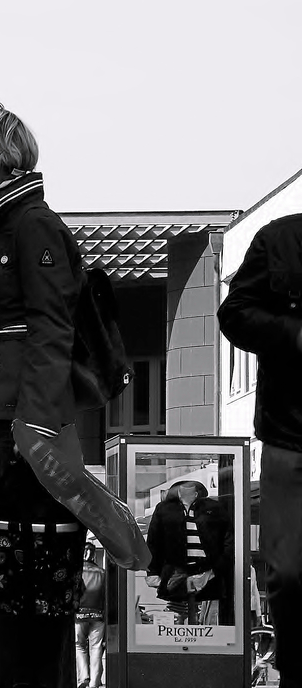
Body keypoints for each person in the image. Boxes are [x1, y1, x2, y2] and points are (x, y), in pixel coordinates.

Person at [0, 101, 86, 688]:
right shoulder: (0, 227)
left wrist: (38, 422)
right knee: (8, 574)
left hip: (17, 425)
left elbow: (54, 326)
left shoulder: (32, 225)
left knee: (27, 574)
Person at [217, 213, 302, 688]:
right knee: (289, 574)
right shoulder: (279, 240)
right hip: (290, 437)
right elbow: (234, 314)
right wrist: (293, 334)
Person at [145, 480, 233, 625]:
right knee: (179, 609)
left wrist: (213, 571)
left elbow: (228, 542)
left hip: (207, 570)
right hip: (175, 569)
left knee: (202, 608)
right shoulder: (164, 509)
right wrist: (152, 572)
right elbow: (154, 542)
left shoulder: (214, 508)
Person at [75, 543, 105, 688]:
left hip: (79, 614)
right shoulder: (102, 572)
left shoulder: (77, 571)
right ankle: (94, 682)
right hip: (98, 615)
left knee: (79, 646)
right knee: (96, 648)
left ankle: (83, 677)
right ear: (93, 555)